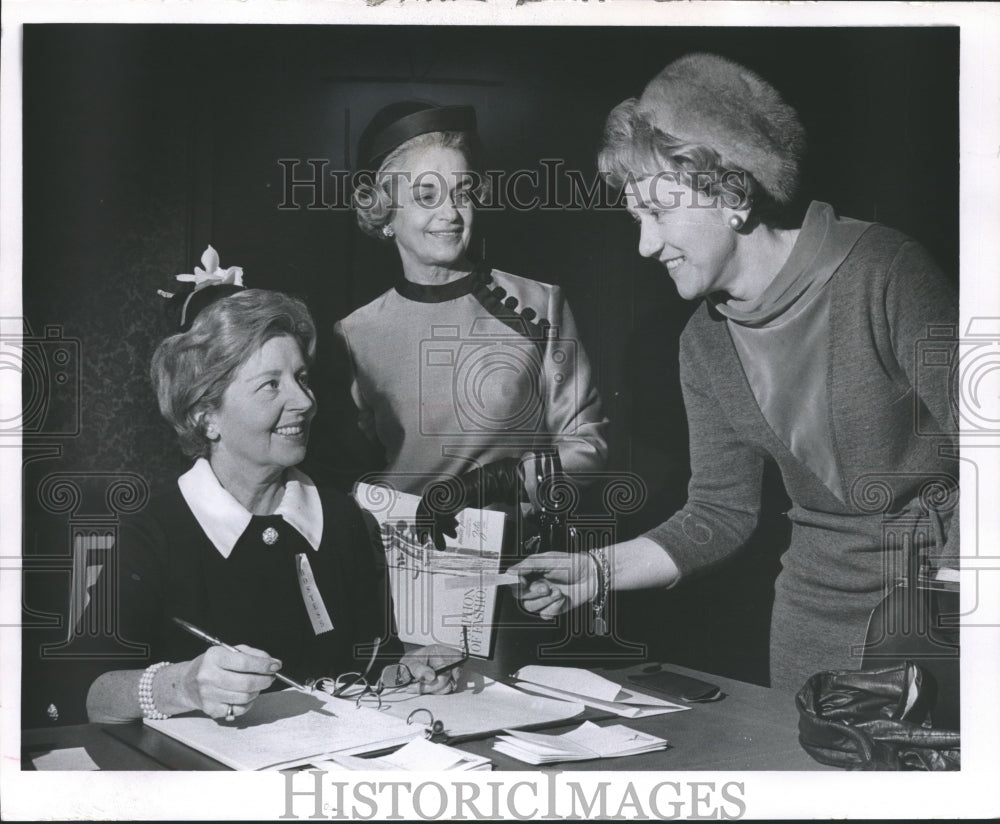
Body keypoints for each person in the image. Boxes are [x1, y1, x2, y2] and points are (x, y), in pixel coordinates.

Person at [512, 53, 959, 691]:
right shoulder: (703, 341)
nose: (644, 245)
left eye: (659, 213)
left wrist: (950, 612)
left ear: (731, 193)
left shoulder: (883, 272)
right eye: (636, 218)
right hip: (813, 618)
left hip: (944, 606)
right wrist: (597, 571)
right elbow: (719, 512)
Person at [86, 270, 462, 724]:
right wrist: (182, 684)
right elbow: (87, 692)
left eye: (302, 378)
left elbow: (371, 663)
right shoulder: (154, 532)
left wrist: (405, 671)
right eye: (271, 385)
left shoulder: (342, 518)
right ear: (207, 416)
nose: (304, 402)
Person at [323, 102, 609, 549]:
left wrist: (501, 481)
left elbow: (588, 448)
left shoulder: (538, 304)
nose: (451, 213)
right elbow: (346, 481)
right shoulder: (354, 334)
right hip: (404, 569)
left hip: (521, 568)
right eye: (426, 196)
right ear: (384, 211)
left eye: (461, 192)